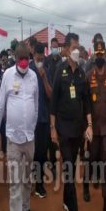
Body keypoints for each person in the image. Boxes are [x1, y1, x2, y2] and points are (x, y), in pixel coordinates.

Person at [0, 42, 38, 211]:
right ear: (15, 58)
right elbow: (1, 103)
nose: (23, 62)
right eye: (20, 58)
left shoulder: (34, 76)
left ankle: (26, 207)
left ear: (29, 58)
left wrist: (32, 126)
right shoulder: (8, 75)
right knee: (14, 185)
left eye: (26, 58)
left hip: (29, 139)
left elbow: (35, 104)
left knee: (28, 178)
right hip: (12, 140)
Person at [50, 32, 92, 211]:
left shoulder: (82, 73)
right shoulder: (60, 70)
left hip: (78, 129)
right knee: (68, 167)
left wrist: (89, 125)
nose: (76, 50)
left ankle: (66, 202)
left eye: (78, 47)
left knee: (71, 167)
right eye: (73, 47)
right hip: (63, 128)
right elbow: (54, 101)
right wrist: (53, 128)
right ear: (66, 49)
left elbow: (86, 101)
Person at [83, 41, 106, 211]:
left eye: (102, 55)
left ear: (105, 56)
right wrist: (85, 126)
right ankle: (87, 187)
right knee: (90, 160)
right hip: (91, 128)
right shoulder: (88, 77)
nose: (100, 58)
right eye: (97, 55)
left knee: (105, 164)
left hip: (105, 129)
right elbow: (85, 103)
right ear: (94, 56)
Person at [30, 42, 52, 198]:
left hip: (43, 119)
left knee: (42, 153)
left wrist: (44, 78)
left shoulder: (47, 71)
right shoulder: (27, 70)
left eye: (42, 57)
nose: (40, 60)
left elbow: (50, 95)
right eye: (38, 57)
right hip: (29, 120)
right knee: (29, 152)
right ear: (33, 55)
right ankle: (28, 180)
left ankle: (39, 184)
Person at [44, 37, 62, 178]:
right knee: (48, 135)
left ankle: (55, 166)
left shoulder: (62, 61)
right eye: (53, 46)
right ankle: (47, 164)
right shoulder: (47, 61)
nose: (54, 49)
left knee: (56, 136)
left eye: (56, 46)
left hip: (59, 103)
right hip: (48, 102)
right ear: (50, 47)